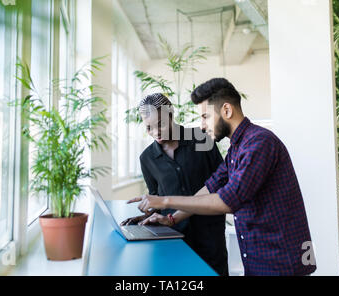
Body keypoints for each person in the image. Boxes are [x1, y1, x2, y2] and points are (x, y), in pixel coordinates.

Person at [129, 78, 317, 276]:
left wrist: (164, 200)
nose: (201, 126)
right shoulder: (238, 148)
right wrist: (172, 218)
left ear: (226, 110)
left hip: (280, 258)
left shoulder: (259, 143)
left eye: (205, 116)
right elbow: (211, 186)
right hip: (259, 255)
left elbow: (228, 200)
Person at [121, 93, 229, 276]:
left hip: (210, 233)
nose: (156, 132)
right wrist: (144, 217)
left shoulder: (201, 138)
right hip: (175, 236)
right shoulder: (147, 158)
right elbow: (157, 197)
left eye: (161, 124)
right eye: (149, 128)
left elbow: (222, 181)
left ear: (171, 114)